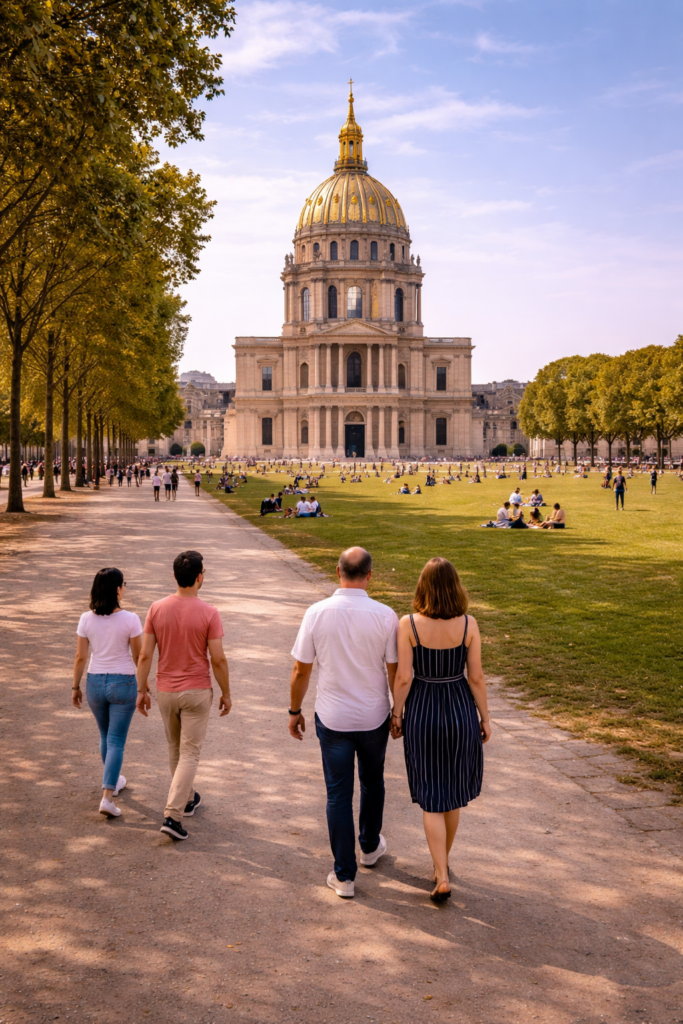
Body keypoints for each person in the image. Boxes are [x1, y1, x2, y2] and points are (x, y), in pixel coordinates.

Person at [289, 547, 398, 899]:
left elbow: (300, 669)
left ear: (338, 571)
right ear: (370, 575)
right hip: (373, 715)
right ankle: (368, 846)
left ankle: (344, 875)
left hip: (333, 716)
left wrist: (294, 710)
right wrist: (399, 712)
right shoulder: (385, 615)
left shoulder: (317, 612)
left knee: (338, 793)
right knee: (372, 781)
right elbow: (395, 671)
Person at [391, 558, 490, 902]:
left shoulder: (408, 624)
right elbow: (476, 677)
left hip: (423, 710)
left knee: (432, 797)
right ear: (455, 586)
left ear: (422, 586)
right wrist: (485, 718)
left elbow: (403, 677)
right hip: (460, 709)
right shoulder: (469, 624)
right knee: (452, 794)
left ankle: (442, 873)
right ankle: (441, 865)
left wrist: (397, 713)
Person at [136, 550, 231, 840]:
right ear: (199, 577)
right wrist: (226, 692)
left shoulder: (156, 608)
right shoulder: (209, 612)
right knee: (189, 752)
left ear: (175, 576)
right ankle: (172, 815)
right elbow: (217, 659)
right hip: (196, 690)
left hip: (165, 689)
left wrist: (141, 689)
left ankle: (188, 798)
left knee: (175, 748)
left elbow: (144, 655)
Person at [72, 568, 143, 817]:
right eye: (124, 584)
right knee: (116, 741)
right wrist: (143, 685)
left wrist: (75, 687)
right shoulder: (131, 619)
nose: (125, 587)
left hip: (94, 683)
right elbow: (138, 656)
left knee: (105, 737)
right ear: (117, 589)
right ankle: (107, 797)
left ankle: (114, 780)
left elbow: (81, 656)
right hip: (122, 683)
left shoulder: (85, 618)